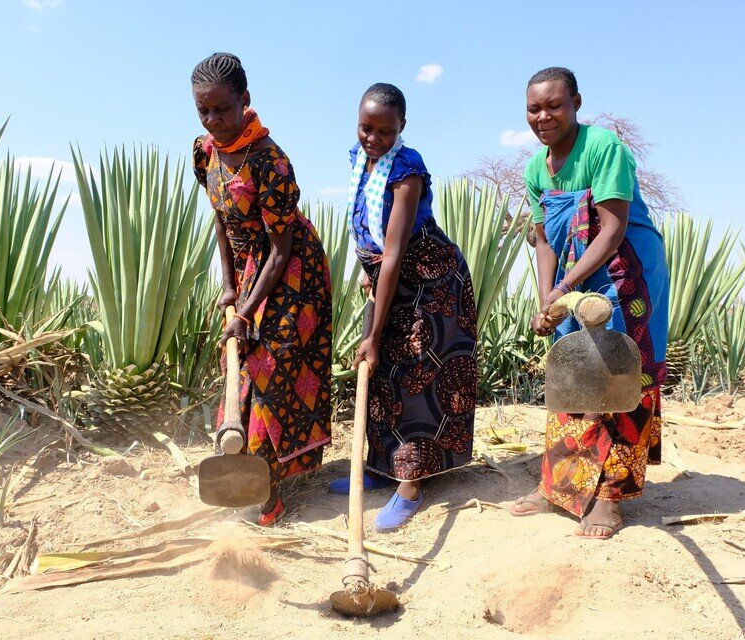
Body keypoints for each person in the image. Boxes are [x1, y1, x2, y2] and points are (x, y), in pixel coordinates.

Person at [509, 67, 669, 539]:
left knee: (620, 374)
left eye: (554, 105)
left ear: (576, 102)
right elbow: (543, 241)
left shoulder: (603, 148)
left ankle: (609, 497)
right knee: (571, 370)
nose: (544, 116)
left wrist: (562, 289)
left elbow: (612, 227)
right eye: (534, 108)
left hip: (625, 272)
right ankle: (560, 484)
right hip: (573, 279)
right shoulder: (536, 167)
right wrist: (547, 298)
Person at [191, 53, 333, 526]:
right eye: (203, 111)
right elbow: (221, 219)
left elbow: (281, 247)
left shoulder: (270, 161)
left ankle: (268, 493)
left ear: (245, 101)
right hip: (252, 272)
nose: (213, 121)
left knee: (268, 368)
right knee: (246, 370)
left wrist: (246, 312)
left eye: (222, 110)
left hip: (293, 274)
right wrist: (230, 286)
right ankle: (253, 481)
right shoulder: (204, 151)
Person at [329, 83, 478, 532]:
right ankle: (380, 468)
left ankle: (410, 485)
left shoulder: (408, 170)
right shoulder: (360, 159)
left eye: (384, 131)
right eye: (365, 128)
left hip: (431, 285)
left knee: (416, 373)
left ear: (402, 128)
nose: (373, 138)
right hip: (390, 280)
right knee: (381, 372)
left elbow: (394, 251)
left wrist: (372, 332)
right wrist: (367, 275)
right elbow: (370, 235)